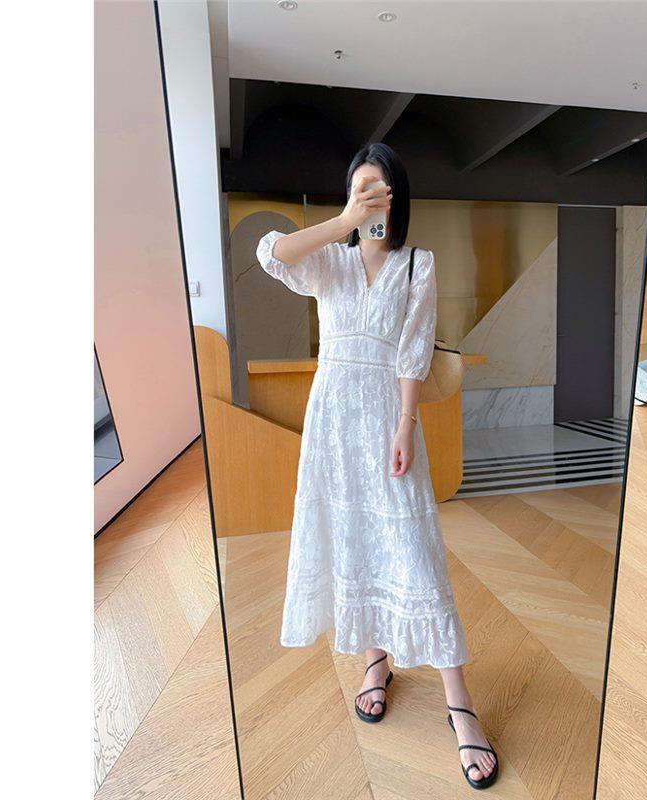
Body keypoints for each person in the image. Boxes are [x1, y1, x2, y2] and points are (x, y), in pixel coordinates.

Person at [256, 142, 499, 789]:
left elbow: (414, 351)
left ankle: (459, 703)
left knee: (415, 550)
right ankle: (375, 662)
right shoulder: (329, 263)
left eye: (378, 190)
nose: (369, 200)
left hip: (387, 419)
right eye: (359, 189)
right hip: (332, 423)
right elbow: (270, 253)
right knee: (355, 540)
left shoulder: (418, 263)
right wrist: (342, 221)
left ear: (397, 198)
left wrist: (406, 424)